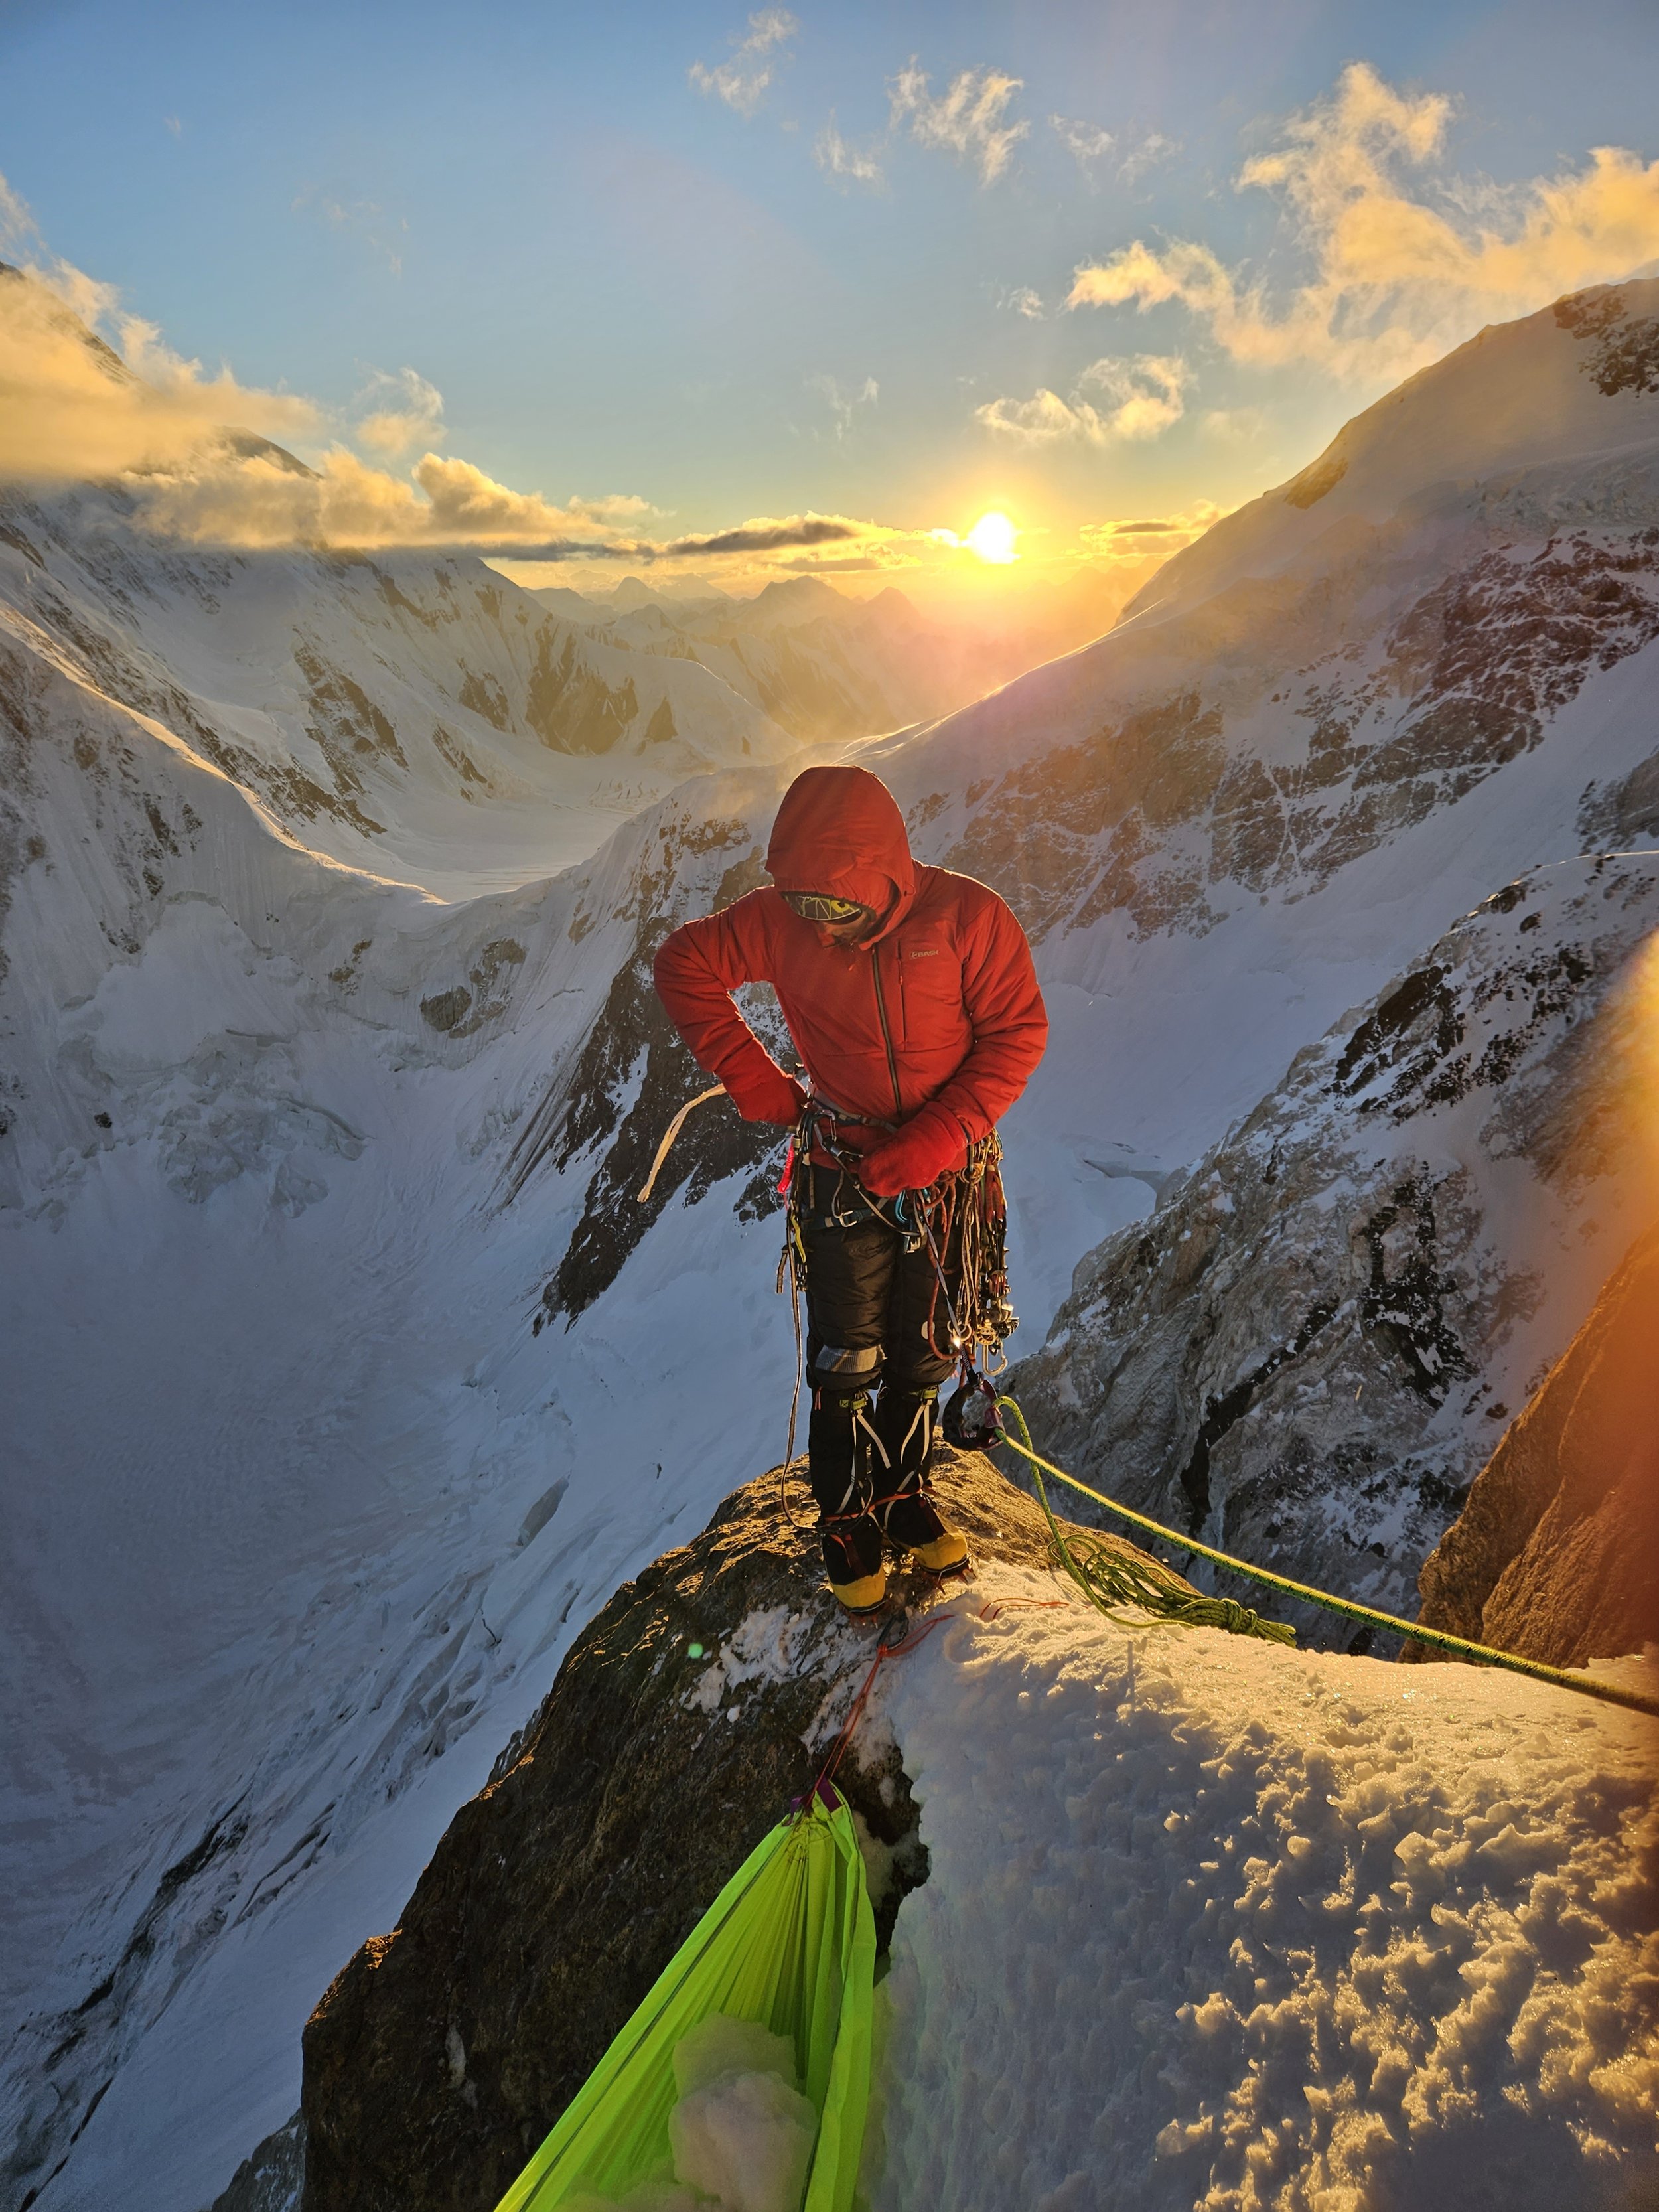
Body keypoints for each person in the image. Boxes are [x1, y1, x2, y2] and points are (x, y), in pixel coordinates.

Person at [652, 763, 1048, 1617]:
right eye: (805, 908)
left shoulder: (966, 918)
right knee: (847, 1356)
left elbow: (1017, 1032)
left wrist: (938, 1137)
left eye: (838, 908)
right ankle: (845, 1520)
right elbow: (684, 962)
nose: (822, 929)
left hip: (944, 1173)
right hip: (847, 1167)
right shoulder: (779, 918)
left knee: (925, 1351)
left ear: (883, 878)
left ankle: (900, 1500)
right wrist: (753, 1079)